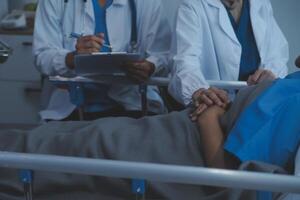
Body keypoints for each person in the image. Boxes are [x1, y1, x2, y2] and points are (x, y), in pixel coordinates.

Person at [1, 71, 300, 199]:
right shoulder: (292, 85)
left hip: (184, 147)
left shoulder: (295, 100)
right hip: (176, 129)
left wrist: (210, 114)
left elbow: (223, 172)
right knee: (62, 138)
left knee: (61, 147)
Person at [33, 0, 171, 121]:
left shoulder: (147, 3)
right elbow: (42, 56)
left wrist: (150, 66)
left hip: (133, 105)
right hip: (70, 107)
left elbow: (163, 55)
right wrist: (72, 58)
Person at [168, 0, 289, 118]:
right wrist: (198, 90)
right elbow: (184, 62)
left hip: (257, 106)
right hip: (214, 107)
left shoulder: (261, 4)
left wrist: (270, 75)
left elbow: (277, 55)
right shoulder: (192, 6)